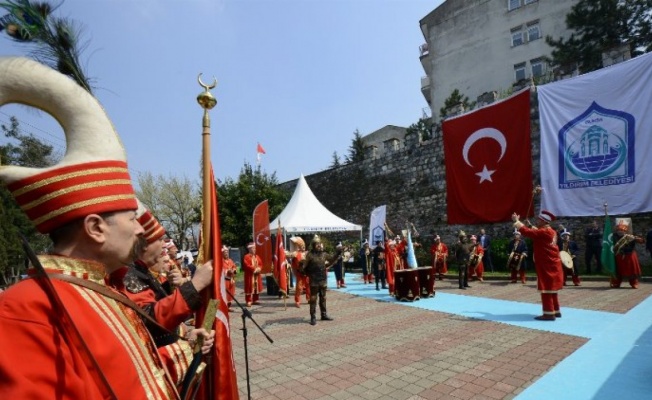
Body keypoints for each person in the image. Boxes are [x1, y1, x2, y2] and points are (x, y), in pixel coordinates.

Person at [0, 56, 195, 398]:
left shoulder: (102, 288)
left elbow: (131, 379)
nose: (140, 230)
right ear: (95, 228)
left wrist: (186, 349)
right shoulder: (23, 309)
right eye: (132, 219)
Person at [512, 210, 564, 321]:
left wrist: (517, 221)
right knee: (552, 288)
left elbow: (529, 233)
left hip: (547, 264)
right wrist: (530, 225)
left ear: (543, 221)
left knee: (545, 288)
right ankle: (556, 310)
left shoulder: (544, 232)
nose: (537, 221)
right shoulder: (551, 231)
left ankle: (549, 313)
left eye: (539, 220)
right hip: (552, 263)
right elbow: (537, 232)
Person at [302, 235, 335, 325]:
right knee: (313, 299)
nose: (319, 245)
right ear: (313, 245)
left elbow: (331, 260)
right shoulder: (309, 255)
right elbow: (303, 267)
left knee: (323, 298)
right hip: (314, 280)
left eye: (319, 244)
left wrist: (338, 254)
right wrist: (308, 273)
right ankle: (313, 316)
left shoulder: (323, 254)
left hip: (323, 280)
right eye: (317, 244)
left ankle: (323, 315)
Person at [610, 220, 645, 289]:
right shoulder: (613, 236)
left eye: (622, 230)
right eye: (619, 230)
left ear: (625, 231)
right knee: (618, 271)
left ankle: (634, 283)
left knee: (631, 271)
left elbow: (642, 241)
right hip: (618, 256)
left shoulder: (629, 237)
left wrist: (638, 239)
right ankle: (616, 283)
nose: (620, 231)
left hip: (629, 255)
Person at [288, 236, 310, 308]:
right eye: (301, 245)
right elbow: (288, 255)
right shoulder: (296, 253)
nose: (303, 247)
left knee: (308, 286)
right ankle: (297, 301)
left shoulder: (307, 253)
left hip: (306, 273)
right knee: (298, 287)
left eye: (303, 246)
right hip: (299, 273)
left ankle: (309, 298)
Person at [243, 242, 263, 307]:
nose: (254, 250)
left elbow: (260, 264)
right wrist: (254, 269)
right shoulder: (246, 256)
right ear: (249, 249)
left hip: (256, 275)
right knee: (249, 287)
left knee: (256, 287)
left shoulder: (257, 256)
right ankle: (248, 300)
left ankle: (255, 299)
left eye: (255, 248)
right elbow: (247, 265)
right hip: (250, 275)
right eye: (253, 248)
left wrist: (259, 268)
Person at [222, 245, 238, 310]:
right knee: (226, 294)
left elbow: (234, 266)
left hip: (231, 280)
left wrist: (234, 270)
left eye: (227, 252)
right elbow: (221, 270)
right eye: (225, 253)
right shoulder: (221, 261)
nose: (226, 254)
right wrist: (227, 271)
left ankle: (228, 306)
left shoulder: (230, 260)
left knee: (231, 293)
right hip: (225, 280)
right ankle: (224, 308)